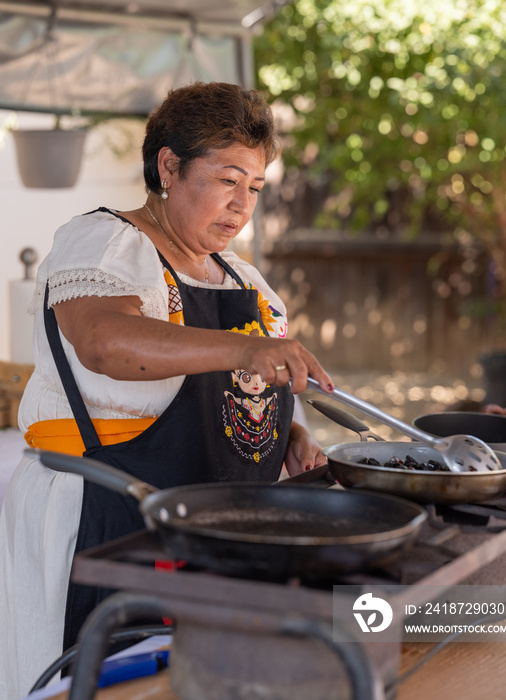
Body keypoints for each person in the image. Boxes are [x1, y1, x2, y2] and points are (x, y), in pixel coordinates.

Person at [0, 81, 334, 700]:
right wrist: (248, 348)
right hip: (106, 520)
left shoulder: (245, 278)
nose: (242, 205)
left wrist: (285, 431)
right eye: (228, 179)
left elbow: (230, 386)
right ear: (170, 166)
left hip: (210, 531)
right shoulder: (106, 241)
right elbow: (106, 340)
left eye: (256, 188)